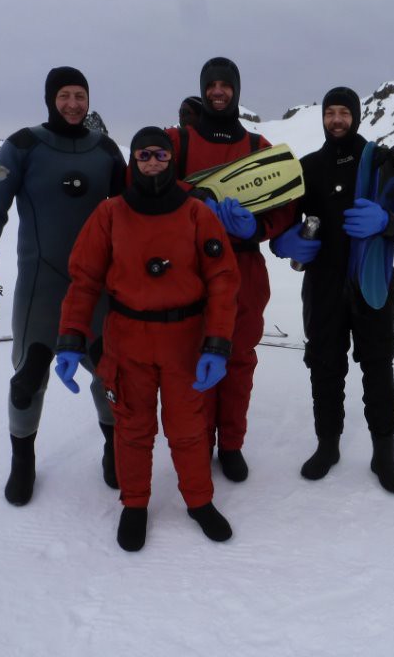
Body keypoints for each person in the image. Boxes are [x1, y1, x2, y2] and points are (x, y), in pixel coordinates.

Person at [55, 127, 240, 551]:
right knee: (132, 428)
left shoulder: (197, 214)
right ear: (132, 161)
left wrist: (217, 343)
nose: (152, 162)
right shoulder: (110, 215)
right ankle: (135, 503)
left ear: (171, 160)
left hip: (184, 339)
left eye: (159, 154)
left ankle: (198, 500)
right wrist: (70, 338)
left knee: (188, 428)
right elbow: (83, 281)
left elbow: (223, 281)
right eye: (143, 155)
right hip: (128, 338)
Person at [0, 66, 126, 506]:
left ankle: (114, 451)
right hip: (41, 287)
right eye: (65, 96)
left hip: (96, 290)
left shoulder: (106, 151)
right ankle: (23, 463)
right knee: (26, 381)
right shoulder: (24, 146)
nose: (73, 104)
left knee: (112, 376)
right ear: (51, 99)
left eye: (81, 96)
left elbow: (139, 211)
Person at [270, 87, 394, 493]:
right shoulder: (308, 167)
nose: (337, 120)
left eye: (344, 113)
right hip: (322, 286)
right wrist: (283, 242)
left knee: (378, 366)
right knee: (324, 366)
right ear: (323, 118)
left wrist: (386, 223)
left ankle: (383, 454)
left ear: (356, 117)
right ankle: (328, 446)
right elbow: (278, 220)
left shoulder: (383, 164)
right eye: (330, 113)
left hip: (371, 283)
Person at [165, 57, 295, 482]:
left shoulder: (260, 148)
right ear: (203, 90)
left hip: (243, 269)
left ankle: (232, 444)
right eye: (212, 85)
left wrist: (257, 226)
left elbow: (286, 205)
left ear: (236, 91)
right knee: (196, 362)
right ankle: (200, 443)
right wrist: (193, 196)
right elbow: (142, 177)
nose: (219, 92)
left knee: (238, 363)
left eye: (226, 85)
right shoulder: (177, 142)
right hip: (191, 270)